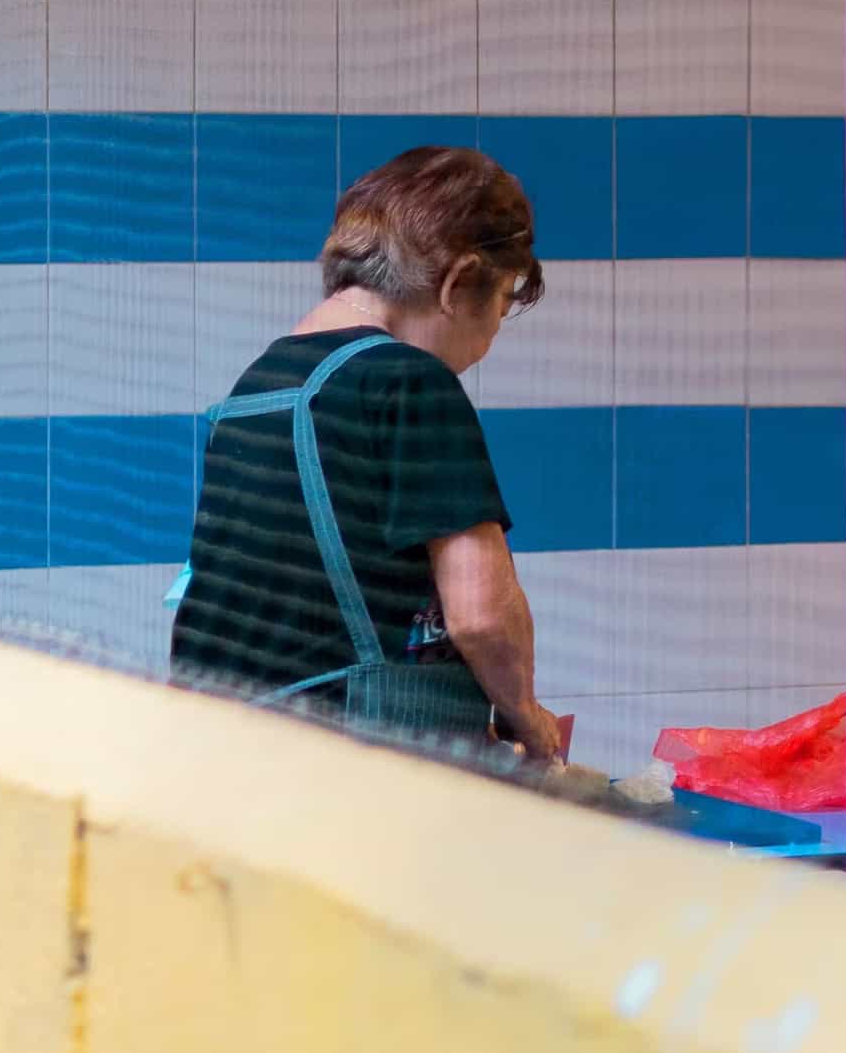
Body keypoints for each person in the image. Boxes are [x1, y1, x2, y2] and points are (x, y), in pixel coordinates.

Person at [170, 146, 570, 759]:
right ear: (459, 281)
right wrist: (528, 718)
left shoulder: (257, 385)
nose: (490, 336)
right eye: (502, 301)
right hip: (346, 766)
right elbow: (481, 615)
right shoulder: (409, 380)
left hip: (228, 756)